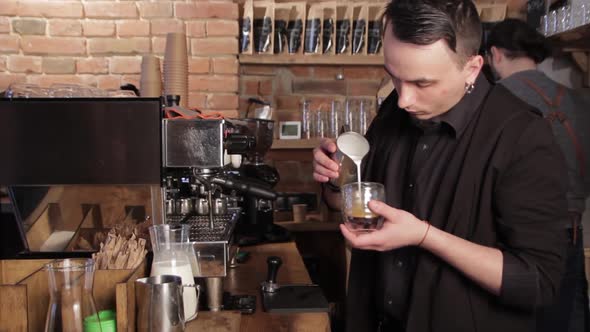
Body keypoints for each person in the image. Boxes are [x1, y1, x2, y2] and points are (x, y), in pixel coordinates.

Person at [313, 1, 570, 331]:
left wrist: (424, 236)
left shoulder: (522, 137)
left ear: (473, 68)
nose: (404, 99)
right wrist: (336, 178)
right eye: (394, 77)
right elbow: (349, 201)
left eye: (423, 84)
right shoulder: (396, 109)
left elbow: (537, 282)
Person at [486, 18, 590, 332]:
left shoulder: (494, 100)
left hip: (515, 239)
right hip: (572, 230)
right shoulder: (575, 99)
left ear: (495, 54)